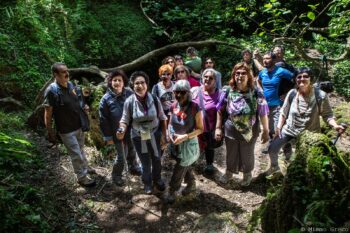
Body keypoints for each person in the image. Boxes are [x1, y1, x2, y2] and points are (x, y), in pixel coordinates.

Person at [266, 67, 346, 174]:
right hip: (290, 130)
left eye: (305, 77)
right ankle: (275, 169)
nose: (302, 79)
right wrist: (279, 127)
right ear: (295, 80)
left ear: (310, 79)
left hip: (310, 134)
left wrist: (335, 126)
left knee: (304, 161)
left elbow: (328, 115)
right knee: (272, 148)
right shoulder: (292, 93)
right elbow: (283, 112)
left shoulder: (320, 95)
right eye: (299, 77)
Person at [217, 62, 269, 186]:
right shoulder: (227, 90)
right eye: (237, 73)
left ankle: (247, 175)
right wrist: (218, 128)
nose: (240, 76)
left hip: (250, 129)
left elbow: (262, 112)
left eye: (243, 73)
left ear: (249, 76)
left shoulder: (256, 92)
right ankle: (229, 173)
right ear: (234, 75)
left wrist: (266, 130)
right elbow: (219, 109)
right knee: (231, 152)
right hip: (231, 128)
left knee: (247, 153)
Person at [44, 62, 96, 187]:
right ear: (55, 74)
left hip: (78, 125)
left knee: (81, 150)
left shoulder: (71, 84)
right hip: (66, 129)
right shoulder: (52, 90)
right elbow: (48, 112)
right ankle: (82, 177)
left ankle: (85, 166)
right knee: (76, 154)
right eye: (63, 72)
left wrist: (84, 107)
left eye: (67, 71)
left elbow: (77, 101)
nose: (67, 74)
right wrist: (49, 131)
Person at [117, 71, 167, 194]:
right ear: (133, 86)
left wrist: (164, 136)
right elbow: (124, 119)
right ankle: (147, 183)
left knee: (157, 158)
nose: (140, 85)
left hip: (155, 134)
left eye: (142, 82)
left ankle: (158, 179)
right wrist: (122, 129)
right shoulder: (129, 101)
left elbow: (162, 117)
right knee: (145, 161)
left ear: (147, 84)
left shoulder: (155, 99)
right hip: (139, 136)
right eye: (136, 83)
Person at [99, 70, 142, 187]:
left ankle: (134, 167)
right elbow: (103, 120)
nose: (117, 82)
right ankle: (116, 175)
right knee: (121, 156)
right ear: (110, 82)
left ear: (124, 82)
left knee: (132, 150)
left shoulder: (129, 93)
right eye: (114, 80)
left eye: (120, 80)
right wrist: (108, 137)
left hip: (132, 130)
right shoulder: (106, 99)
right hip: (116, 133)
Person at [167, 80, 204, 204]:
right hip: (175, 143)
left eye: (182, 92)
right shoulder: (173, 105)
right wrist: (169, 134)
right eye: (176, 92)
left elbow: (200, 129)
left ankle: (173, 190)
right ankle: (191, 184)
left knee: (179, 168)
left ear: (188, 92)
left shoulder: (194, 107)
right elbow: (170, 122)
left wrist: (185, 137)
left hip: (187, 144)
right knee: (183, 164)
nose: (179, 95)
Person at [258, 52, 294, 156]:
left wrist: (287, 93)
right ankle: (273, 144)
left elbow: (296, 79)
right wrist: (261, 91)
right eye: (264, 58)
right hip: (265, 106)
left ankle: (286, 148)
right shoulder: (263, 72)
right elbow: (258, 81)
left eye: (267, 58)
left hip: (278, 105)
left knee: (277, 127)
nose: (265, 60)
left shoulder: (281, 71)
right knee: (269, 129)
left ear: (274, 60)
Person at [191, 68, 222, 175]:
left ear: (215, 81)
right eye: (205, 77)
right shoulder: (195, 90)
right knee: (195, 145)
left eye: (211, 78)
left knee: (209, 146)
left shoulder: (219, 94)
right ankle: (192, 162)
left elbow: (221, 112)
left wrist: (218, 128)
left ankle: (209, 164)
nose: (207, 79)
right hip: (195, 127)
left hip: (210, 127)